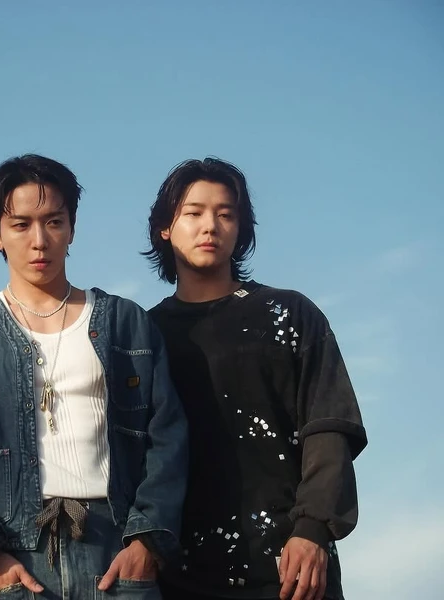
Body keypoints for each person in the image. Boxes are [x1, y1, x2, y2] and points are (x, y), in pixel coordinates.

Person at [0, 154, 188, 599]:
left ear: (72, 228)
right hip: (12, 556)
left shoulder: (126, 324)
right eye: (21, 225)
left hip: (115, 555)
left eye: (54, 222)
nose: (39, 241)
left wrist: (146, 543)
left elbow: (168, 439)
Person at [144, 157, 367, 600]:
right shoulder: (144, 336)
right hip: (178, 573)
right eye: (193, 213)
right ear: (165, 228)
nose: (210, 226)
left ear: (241, 228)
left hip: (292, 567)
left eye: (226, 214)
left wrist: (314, 528)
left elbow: (329, 426)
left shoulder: (289, 313)